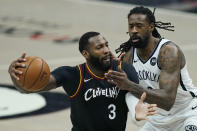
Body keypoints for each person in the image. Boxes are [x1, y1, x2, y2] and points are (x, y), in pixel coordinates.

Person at [8, 31, 157, 131]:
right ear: (85, 53)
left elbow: (137, 99)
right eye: (99, 47)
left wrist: (136, 112)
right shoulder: (73, 75)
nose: (106, 50)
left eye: (106, 45)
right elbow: (26, 89)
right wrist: (15, 76)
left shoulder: (123, 70)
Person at [105, 6, 197, 131]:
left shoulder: (168, 52)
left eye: (139, 26)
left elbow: (167, 101)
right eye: (131, 26)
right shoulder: (128, 57)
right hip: (158, 119)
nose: (134, 30)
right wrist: (110, 67)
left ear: (151, 27)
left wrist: (129, 85)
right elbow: (124, 91)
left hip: (187, 113)